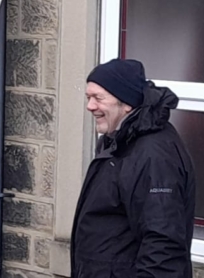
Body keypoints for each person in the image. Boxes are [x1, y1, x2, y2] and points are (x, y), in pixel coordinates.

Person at [72, 58, 196, 277]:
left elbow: (163, 247)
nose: (90, 106)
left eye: (98, 98)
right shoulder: (117, 140)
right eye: (88, 97)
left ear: (127, 103)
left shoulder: (154, 156)